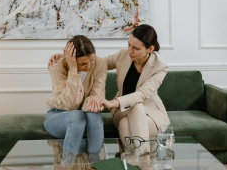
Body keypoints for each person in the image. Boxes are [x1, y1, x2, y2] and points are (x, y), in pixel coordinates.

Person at [48, 25, 170, 158]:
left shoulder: (160, 67)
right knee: (126, 120)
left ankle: (134, 159)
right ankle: (144, 162)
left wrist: (113, 103)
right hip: (122, 113)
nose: (130, 50)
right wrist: (68, 57)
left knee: (135, 109)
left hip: (150, 117)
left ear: (150, 49)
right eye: (129, 44)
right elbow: (95, 63)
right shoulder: (123, 56)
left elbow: (142, 94)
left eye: (136, 48)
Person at [44, 35, 107, 164]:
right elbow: (70, 106)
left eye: (92, 60)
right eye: (83, 64)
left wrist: (93, 104)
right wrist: (73, 71)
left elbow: (95, 97)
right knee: (77, 115)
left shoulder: (100, 64)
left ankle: (97, 164)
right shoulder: (57, 66)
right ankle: (68, 166)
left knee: (94, 115)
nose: (89, 67)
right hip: (58, 115)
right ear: (70, 59)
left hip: (86, 117)